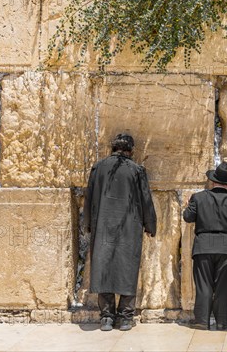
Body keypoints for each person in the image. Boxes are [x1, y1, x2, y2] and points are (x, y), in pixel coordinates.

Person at [84, 134, 157, 332]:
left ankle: (107, 317)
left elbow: (89, 196)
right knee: (127, 268)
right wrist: (150, 225)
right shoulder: (136, 170)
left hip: (103, 226)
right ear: (131, 150)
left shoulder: (98, 168)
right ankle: (125, 317)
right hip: (129, 227)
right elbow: (145, 199)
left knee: (104, 267)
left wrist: (88, 223)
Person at [183, 162, 227, 331]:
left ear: (212, 181)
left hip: (203, 247)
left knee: (203, 285)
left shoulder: (198, 197)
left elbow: (188, 217)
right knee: (224, 286)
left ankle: (201, 320)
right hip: (226, 247)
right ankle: (222, 322)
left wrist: (188, 205)